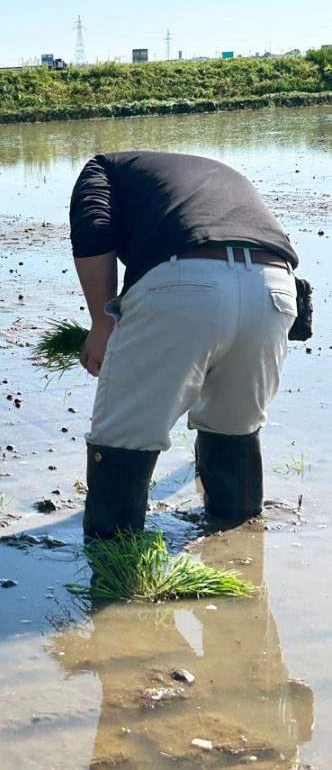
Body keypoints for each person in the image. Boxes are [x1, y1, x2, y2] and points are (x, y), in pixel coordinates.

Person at [70, 151, 298, 537]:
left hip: (186, 282)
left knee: (125, 434)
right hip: (274, 286)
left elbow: (93, 227)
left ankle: (112, 566)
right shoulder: (224, 173)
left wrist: (102, 323)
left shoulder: (101, 167)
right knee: (233, 425)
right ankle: (237, 556)